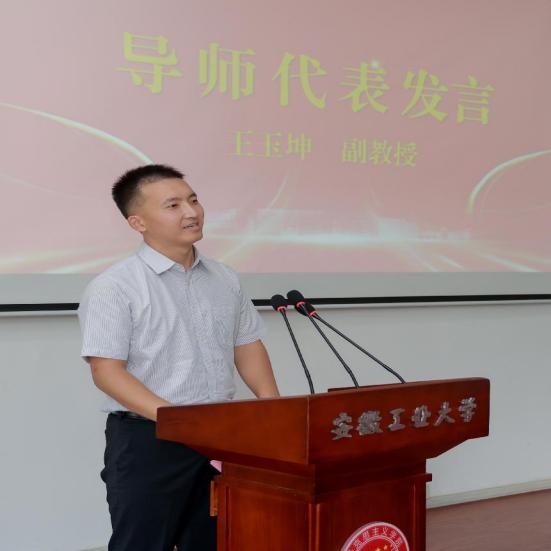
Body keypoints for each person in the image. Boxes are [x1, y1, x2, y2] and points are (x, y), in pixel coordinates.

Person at [78, 164, 279, 551]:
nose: (191, 212)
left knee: (217, 541)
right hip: (150, 439)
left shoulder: (224, 277)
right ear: (138, 222)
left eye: (193, 200)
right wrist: (180, 421)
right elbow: (106, 371)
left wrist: (273, 408)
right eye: (173, 205)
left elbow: (246, 344)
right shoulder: (114, 287)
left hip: (222, 435)